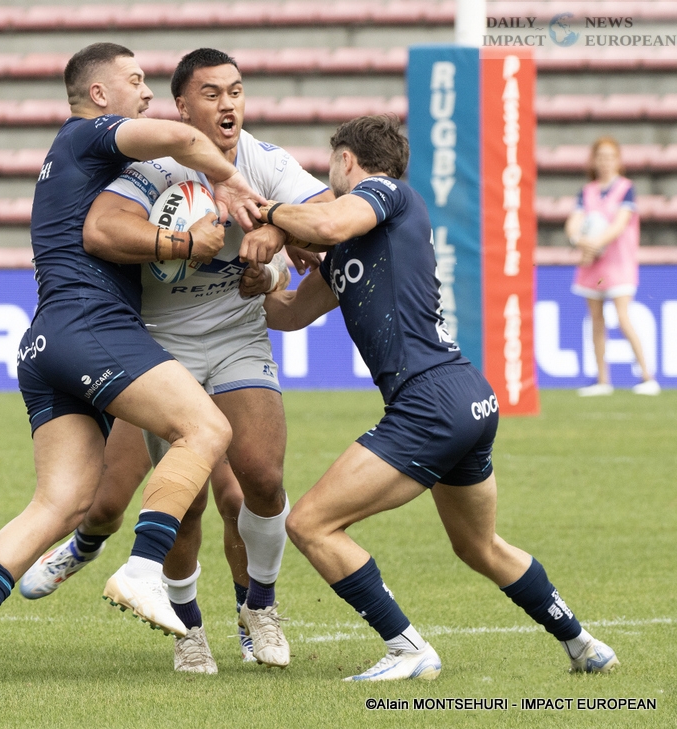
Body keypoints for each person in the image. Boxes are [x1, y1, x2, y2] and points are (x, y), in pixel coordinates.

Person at [0, 42, 267, 684]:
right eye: (135, 80)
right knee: (206, 428)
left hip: (45, 341)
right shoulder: (90, 133)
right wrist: (228, 181)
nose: (147, 91)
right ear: (99, 94)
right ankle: (143, 568)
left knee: (60, 502)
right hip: (92, 324)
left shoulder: (69, 155)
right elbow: (179, 136)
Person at [256, 115, 619, 681]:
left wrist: (267, 214)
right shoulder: (351, 247)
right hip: (464, 397)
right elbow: (290, 314)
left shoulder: (387, 193)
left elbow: (325, 220)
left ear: (347, 160)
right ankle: (583, 644)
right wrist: (256, 283)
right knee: (478, 546)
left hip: (429, 401)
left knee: (309, 523)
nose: (328, 179)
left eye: (331, 167)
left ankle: (407, 649)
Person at [17, 48, 332, 673]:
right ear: (182, 108)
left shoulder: (267, 162)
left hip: (238, 337)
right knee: (143, 503)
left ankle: (259, 608)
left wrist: (274, 231)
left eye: (236, 91)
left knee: (258, 482)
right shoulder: (152, 167)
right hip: (161, 346)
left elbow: (328, 214)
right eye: (212, 94)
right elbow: (100, 231)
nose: (228, 104)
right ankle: (177, 618)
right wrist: (182, 243)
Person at [565, 136, 660, 397]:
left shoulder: (626, 189)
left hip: (618, 263)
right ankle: (602, 380)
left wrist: (592, 245)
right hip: (592, 267)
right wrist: (578, 240)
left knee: (622, 317)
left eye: (610, 157)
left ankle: (647, 377)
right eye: (601, 157)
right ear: (594, 161)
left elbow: (619, 225)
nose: (605, 162)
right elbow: (574, 222)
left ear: (618, 161)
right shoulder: (587, 191)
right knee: (596, 321)